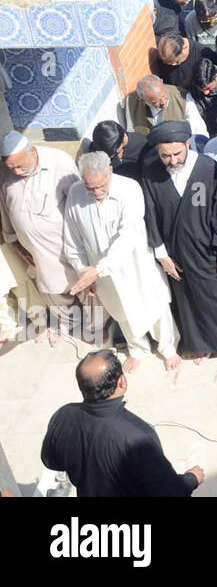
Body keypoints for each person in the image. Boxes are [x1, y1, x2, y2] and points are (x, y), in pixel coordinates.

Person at [140, 121, 217, 363]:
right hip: (177, 255)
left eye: (177, 154)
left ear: (187, 144)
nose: (172, 161)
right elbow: (150, 213)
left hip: (210, 250)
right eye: (166, 156)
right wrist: (162, 255)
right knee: (190, 302)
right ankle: (203, 344)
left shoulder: (207, 168)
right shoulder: (151, 172)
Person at [63, 152, 179, 372]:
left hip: (135, 265)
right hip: (101, 272)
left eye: (101, 186)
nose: (96, 192)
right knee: (121, 311)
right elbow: (72, 237)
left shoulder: (129, 188)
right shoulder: (76, 193)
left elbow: (129, 235)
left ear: (110, 172)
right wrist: (83, 271)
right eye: (91, 188)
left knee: (154, 306)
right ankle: (138, 349)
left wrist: (98, 270)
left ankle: (168, 348)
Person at [40, 349, 204, 497]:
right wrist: (192, 478)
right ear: (122, 382)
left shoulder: (63, 415)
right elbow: (169, 492)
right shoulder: (138, 436)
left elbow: (50, 460)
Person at [0, 132, 93, 344]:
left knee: (85, 288)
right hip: (37, 251)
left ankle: (97, 326)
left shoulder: (59, 162)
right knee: (54, 291)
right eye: (11, 167)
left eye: (19, 166)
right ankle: (72, 326)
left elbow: (79, 201)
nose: (15, 171)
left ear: (32, 152)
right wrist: (14, 242)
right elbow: (6, 209)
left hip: (67, 244)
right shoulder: (6, 175)